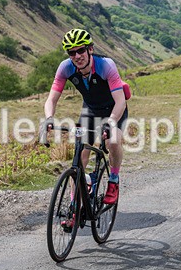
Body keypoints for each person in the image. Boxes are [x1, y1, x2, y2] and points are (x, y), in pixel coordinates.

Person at [43, 28, 128, 211]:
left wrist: (110, 122)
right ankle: (75, 205)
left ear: (90, 49)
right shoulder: (66, 67)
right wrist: (49, 118)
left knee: (113, 140)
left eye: (80, 50)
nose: (77, 56)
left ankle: (113, 180)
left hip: (113, 110)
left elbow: (120, 101)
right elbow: (51, 98)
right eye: (71, 52)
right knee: (79, 157)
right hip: (90, 110)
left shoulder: (106, 66)